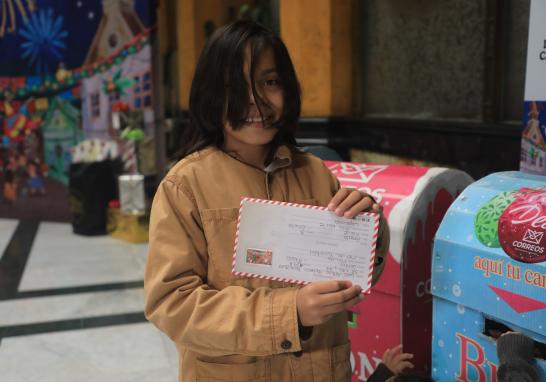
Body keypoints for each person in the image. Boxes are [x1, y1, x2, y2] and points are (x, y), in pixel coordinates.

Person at [144, 20, 389, 382]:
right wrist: (291, 312)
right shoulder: (185, 186)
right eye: (234, 86)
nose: (256, 101)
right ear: (210, 95)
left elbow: (358, 277)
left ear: (287, 89)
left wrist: (368, 230)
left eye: (270, 82)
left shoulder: (317, 174)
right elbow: (171, 304)